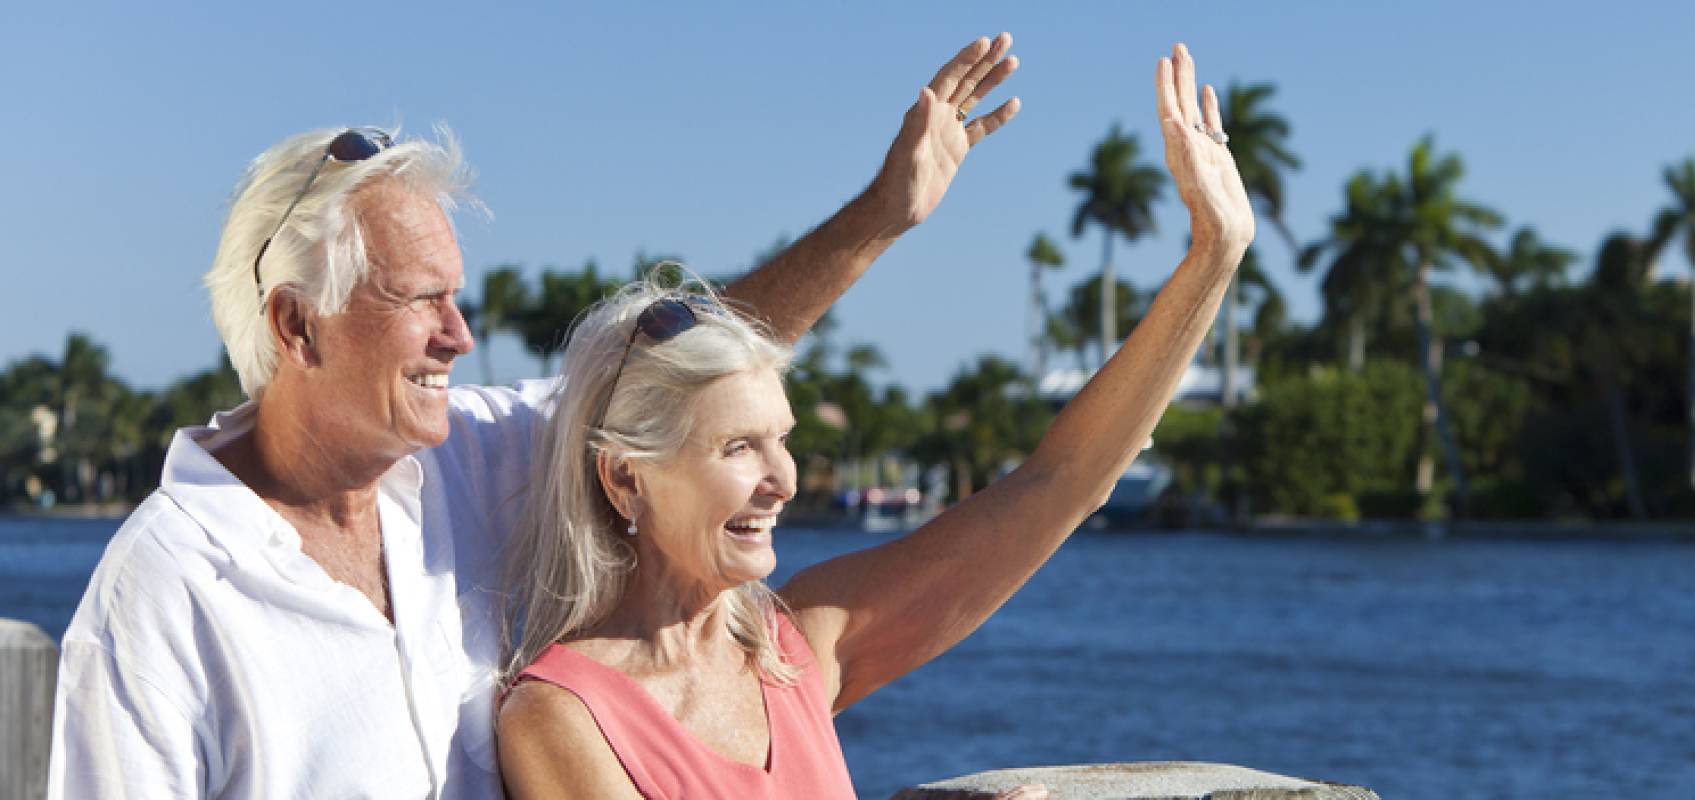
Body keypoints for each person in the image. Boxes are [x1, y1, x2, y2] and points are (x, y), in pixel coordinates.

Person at [48, 34, 1022, 799]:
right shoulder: (162, 595)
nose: (461, 335)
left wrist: (878, 220)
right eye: (420, 299)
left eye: (456, 295)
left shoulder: (461, 456)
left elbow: (675, 372)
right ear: (298, 325)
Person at [494, 43, 1252, 799]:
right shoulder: (559, 715)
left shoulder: (799, 648)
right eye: (739, 448)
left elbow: (1064, 483)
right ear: (627, 478)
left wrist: (1213, 259)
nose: (783, 481)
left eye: (782, 440)